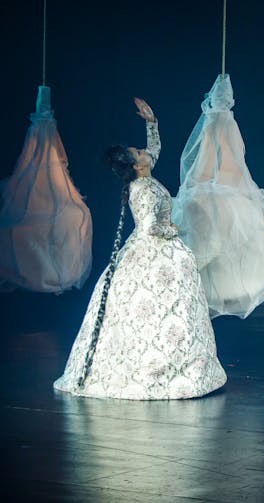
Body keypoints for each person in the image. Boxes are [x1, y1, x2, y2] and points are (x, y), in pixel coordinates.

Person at [53, 98, 227, 400]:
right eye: (139, 152)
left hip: (157, 247)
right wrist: (173, 231)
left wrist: (151, 122)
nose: (145, 152)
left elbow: (155, 150)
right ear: (135, 165)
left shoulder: (144, 177)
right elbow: (149, 227)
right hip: (154, 249)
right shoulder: (142, 189)